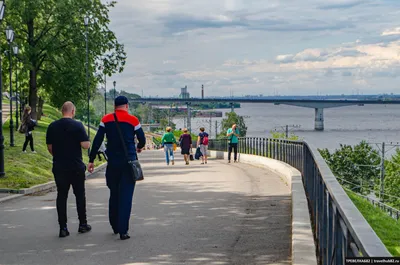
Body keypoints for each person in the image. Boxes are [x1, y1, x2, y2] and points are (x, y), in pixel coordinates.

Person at [88, 96, 146, 240]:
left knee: (114, 193)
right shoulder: (134, 120)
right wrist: (138, 147)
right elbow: (142, 139)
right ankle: (123, 230)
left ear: (115, 106)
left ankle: (114, 224)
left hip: (113, 163)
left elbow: (98, 140)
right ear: (126, 106)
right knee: (126, 196)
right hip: (129, 162)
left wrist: (91, 159)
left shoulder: (106, 119)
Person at [46, 101, 92, 238]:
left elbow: (50, 148)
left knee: (62, 196)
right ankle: (82, 224)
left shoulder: (52, 126)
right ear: (73, 112)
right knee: (79, 195)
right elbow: (85, 145)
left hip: (59, 166)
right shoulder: (78, 125)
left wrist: (60, 155)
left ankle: (63, 228)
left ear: (62, 111)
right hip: (75, 166)